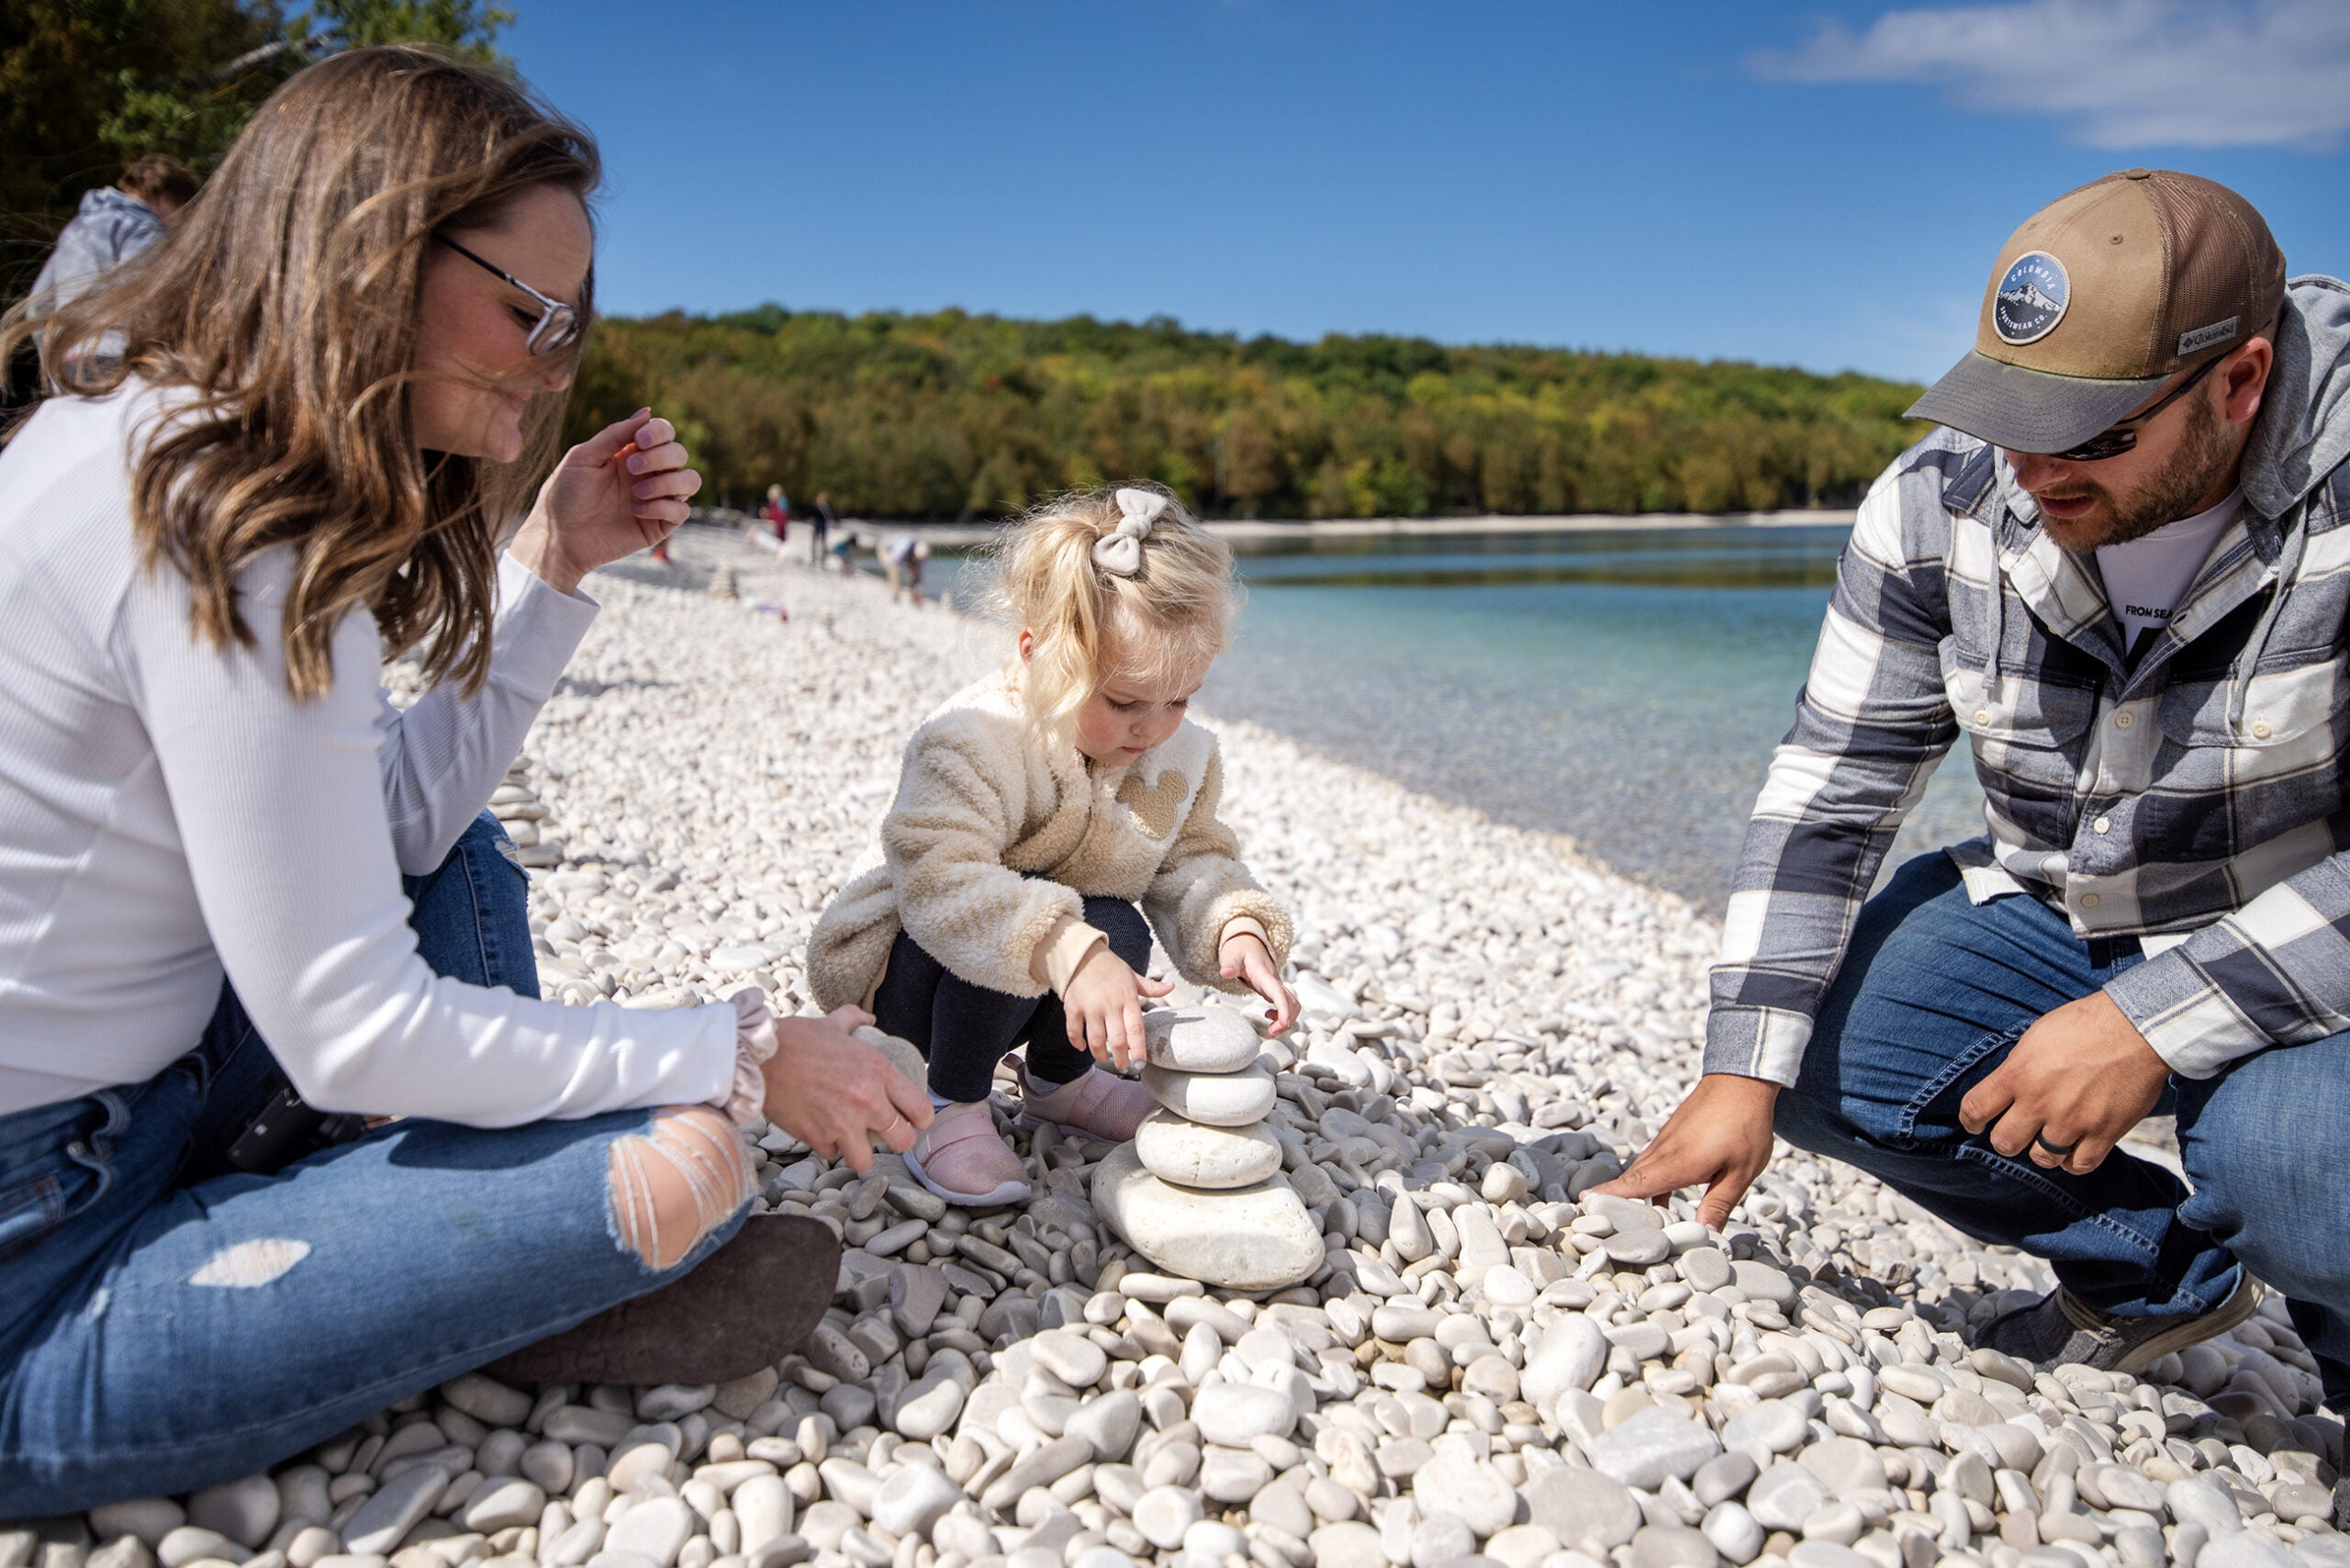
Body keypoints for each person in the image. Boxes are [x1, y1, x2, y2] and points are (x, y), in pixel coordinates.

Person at [0, 47, 926, 1513]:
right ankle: (491, 1257)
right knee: (684, 1162)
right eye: (529, 313)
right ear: (368, 250)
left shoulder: (167, 438)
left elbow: (404, 831)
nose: (557, 366)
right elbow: (353, 1030)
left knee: (470, 852)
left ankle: (455, 1246)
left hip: (148, 1083)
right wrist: (742, 1052)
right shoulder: (222, 520)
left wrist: (552, 565)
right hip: (31, 1244)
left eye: (575, 324)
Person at [1601, 170, 2350, 1392]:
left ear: (2241, 382)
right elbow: (1831, 793)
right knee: (1818, 1065)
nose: (2035, 471)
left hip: (2313, 921)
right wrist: (1738, 1069)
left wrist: (2143, 1027)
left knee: (2307, 1174)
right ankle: (2160, 1279)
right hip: (2069, 903)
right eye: (2013, 416)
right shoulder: (1937, 503)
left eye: (2095, 436)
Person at [808, 487, 1301, 1205]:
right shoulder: (973, 740)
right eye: (1125, 702)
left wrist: (1235, 924)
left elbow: (1192, 857)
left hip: (1045, 962)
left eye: (1181, 698)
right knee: (1047, 936)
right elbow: (943, 882)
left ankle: (1057, 1082)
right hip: (914, 968)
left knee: (1120, 924)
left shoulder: (1180, 756)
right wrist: (1070, 950)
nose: (1154, 728)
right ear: (1037, 654)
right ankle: (947, 1101)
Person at [26, 155, 201, 318]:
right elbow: (140, 293)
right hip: (114, 345)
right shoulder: (143, 229)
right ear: (166, 200)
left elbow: (38, 305)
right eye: (184, 213)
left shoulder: (78, 226)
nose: (180, 227)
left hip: (69, 345)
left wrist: (54, 347)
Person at [881, 531, 931, 603]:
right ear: (914, 553)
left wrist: (919, 589)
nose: (918, 560)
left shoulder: (921, 559)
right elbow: (893, 561)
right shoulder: (904, 546)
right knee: (893, 570)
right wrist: (907, 566)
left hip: (903, 557)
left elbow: (920, 576)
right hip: (885, 548)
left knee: (916, 574)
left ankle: (915, 598)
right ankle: (895, 596)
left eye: (920, 559)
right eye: (917, 558)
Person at [811, 488, 838, 566]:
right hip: (817, 524)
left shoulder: (827, 506)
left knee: (822, 542)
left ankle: (822, 557)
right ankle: (814, 557)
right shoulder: (816, 505)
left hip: (823, 525)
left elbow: (831, 514)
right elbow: (813, 513)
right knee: (815, 542)